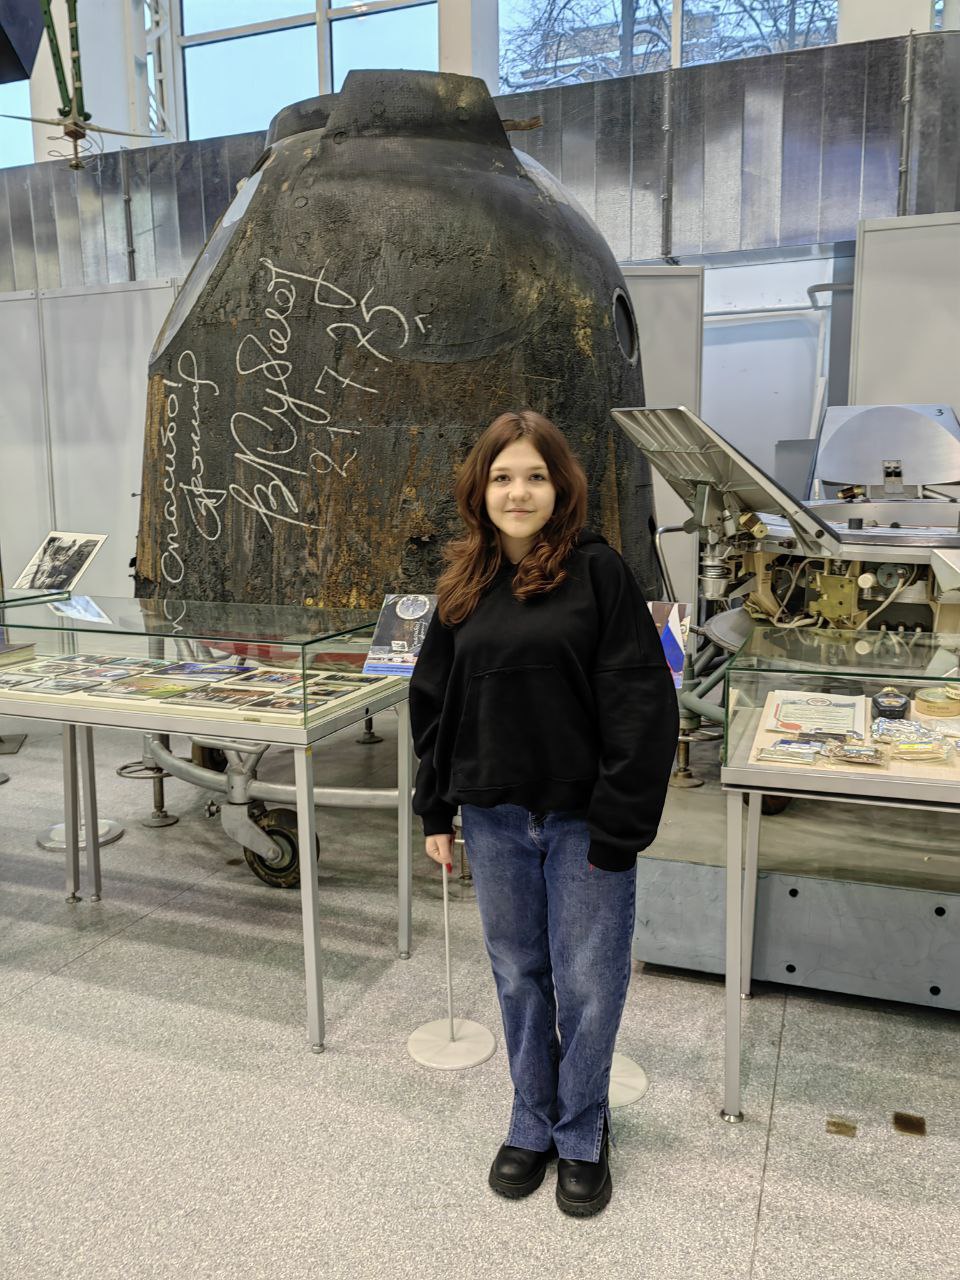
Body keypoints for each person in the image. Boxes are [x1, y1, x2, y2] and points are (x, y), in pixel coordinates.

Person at [409, 410, 679, 1218]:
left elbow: (640, 703)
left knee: (589, 983)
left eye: (534, 476)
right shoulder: (464, 583)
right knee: (519, 975)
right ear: (480, 489)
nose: (518, 491)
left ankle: (583, 1129)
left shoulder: (599, 573)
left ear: (561, 486)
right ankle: (531, 1120)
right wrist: (435, 809)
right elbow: (435, 704)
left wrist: (622, 824)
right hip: (494, 819)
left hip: (583, 822)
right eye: (502, 477)